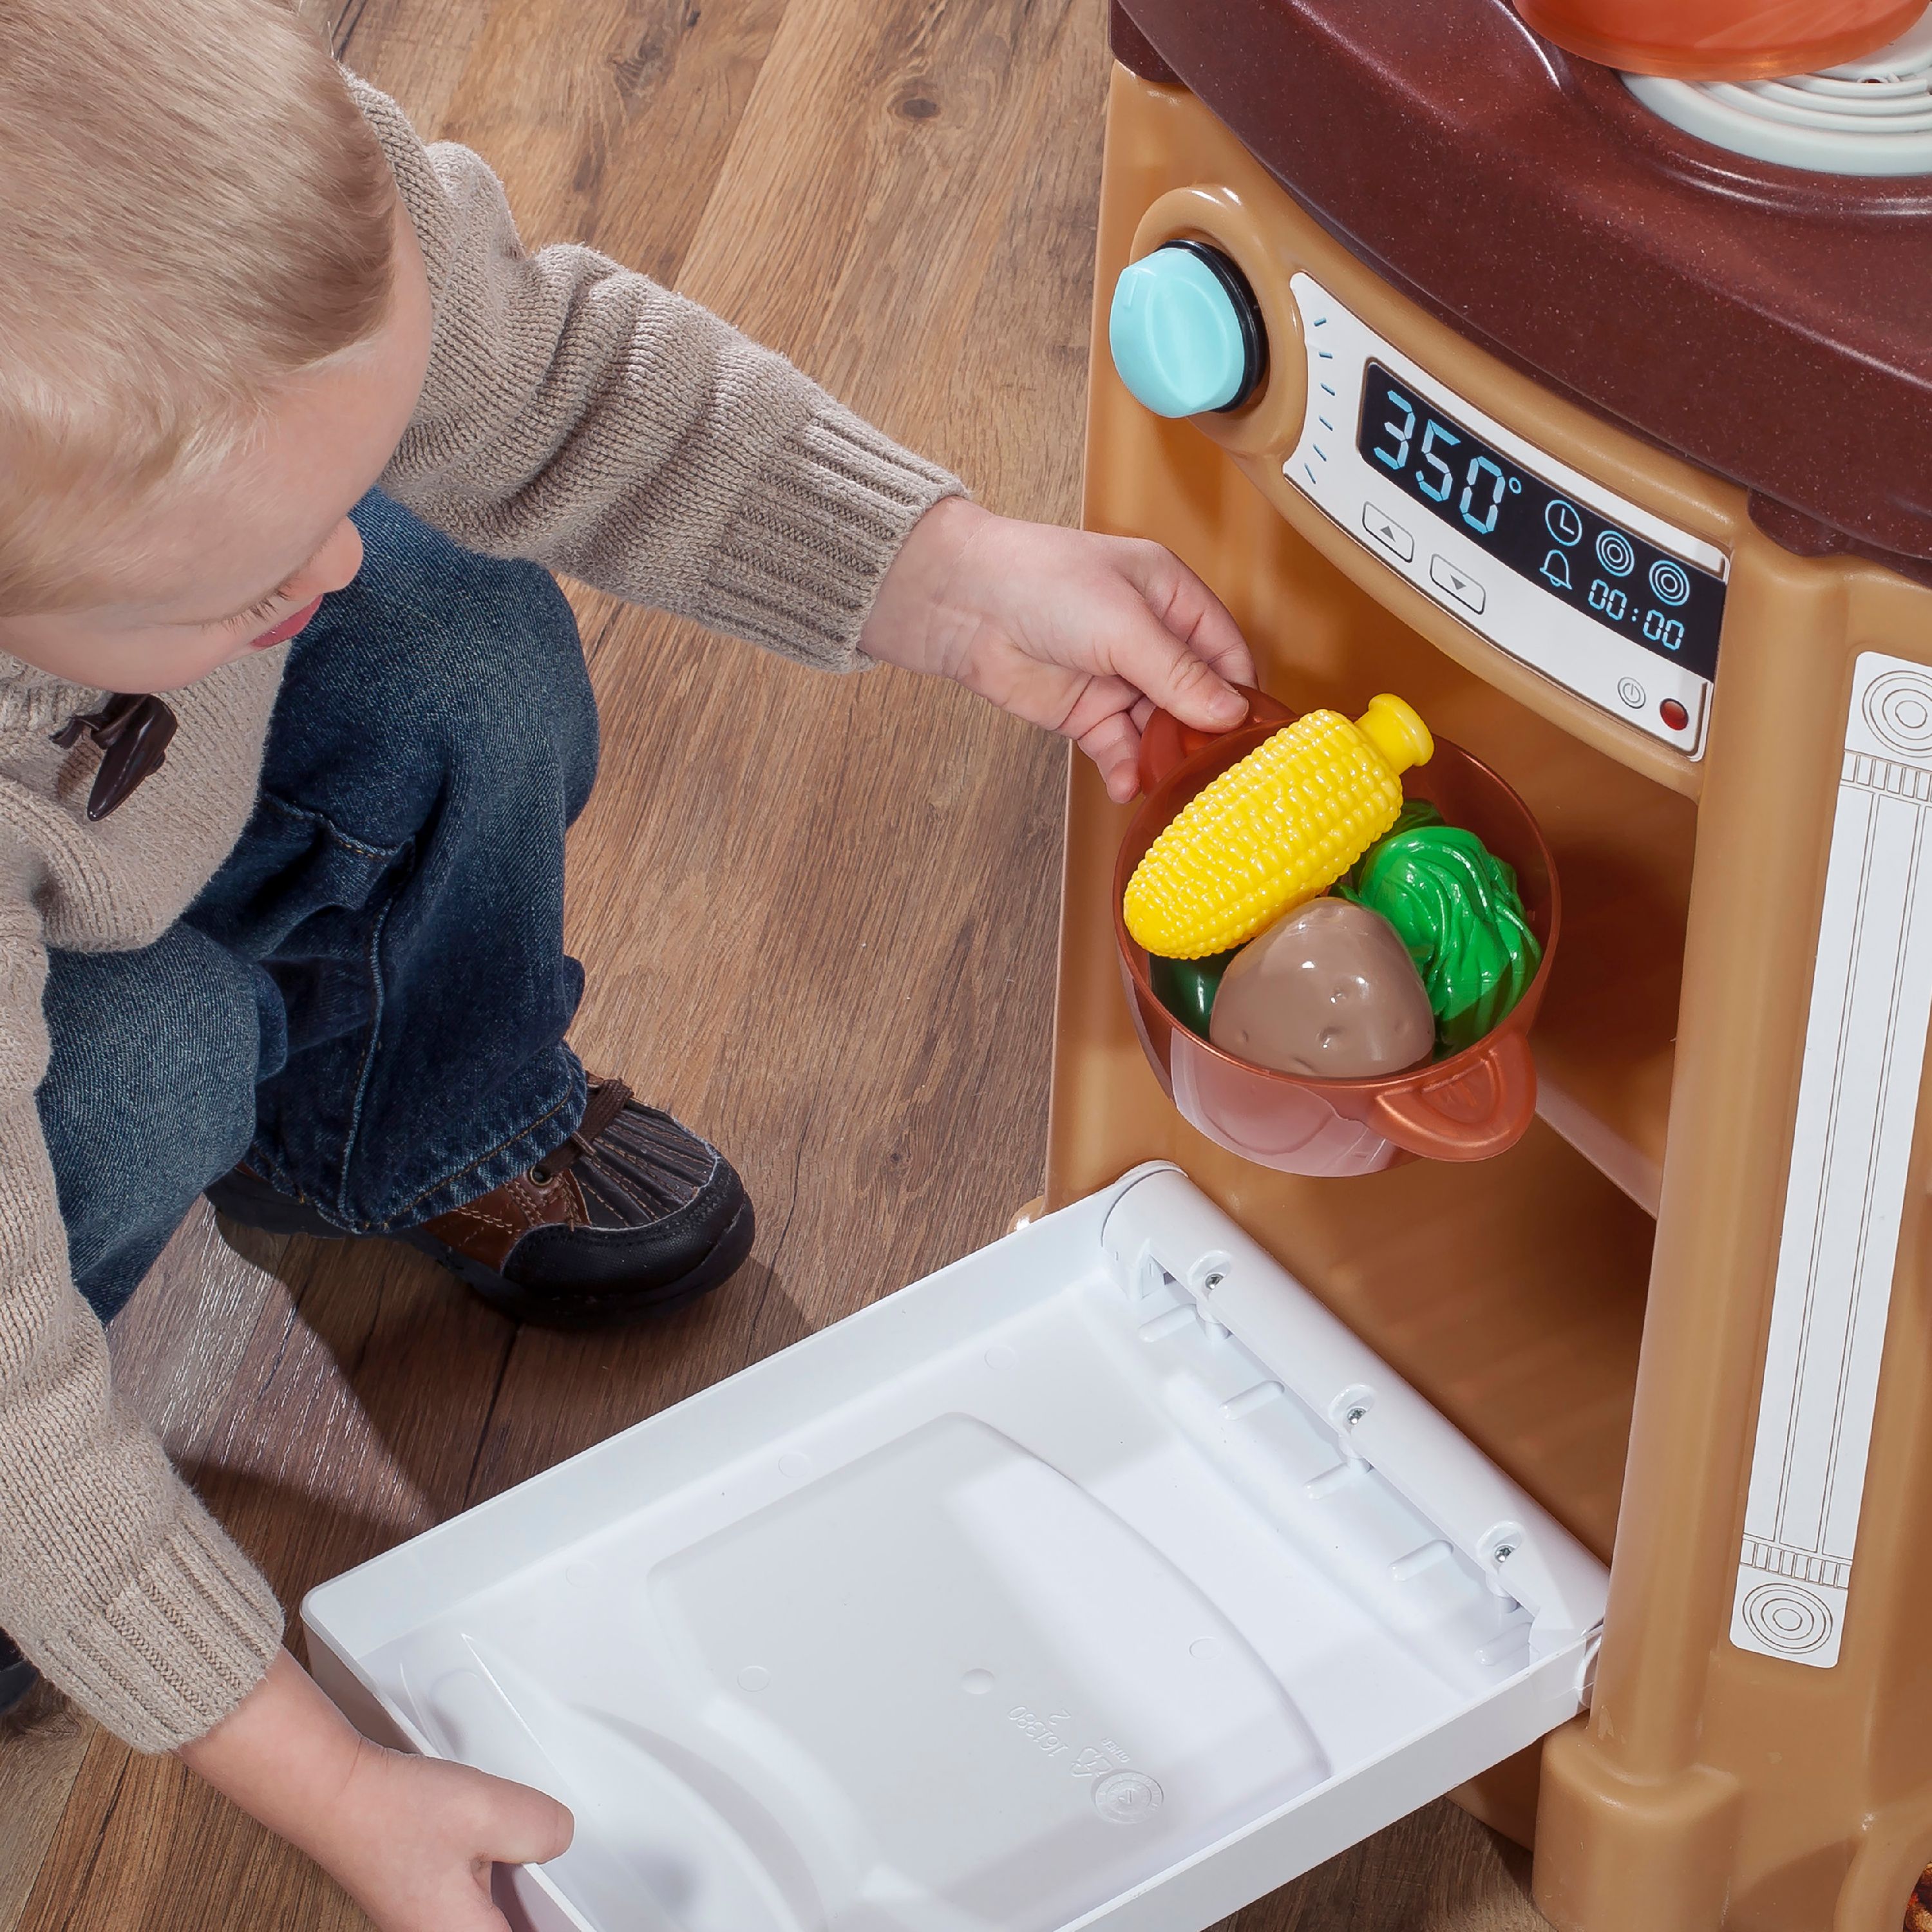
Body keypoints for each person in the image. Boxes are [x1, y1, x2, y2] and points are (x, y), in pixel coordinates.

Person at [0, 1, 1256, 1925]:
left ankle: (414, 1119)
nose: (336, 564)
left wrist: (951, 574)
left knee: (466, 649)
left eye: (343, 484)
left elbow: (573, 392)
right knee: (152, 1061)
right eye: (256, 568)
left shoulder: (232, 187)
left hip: (126, 755)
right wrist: (332, 1780)